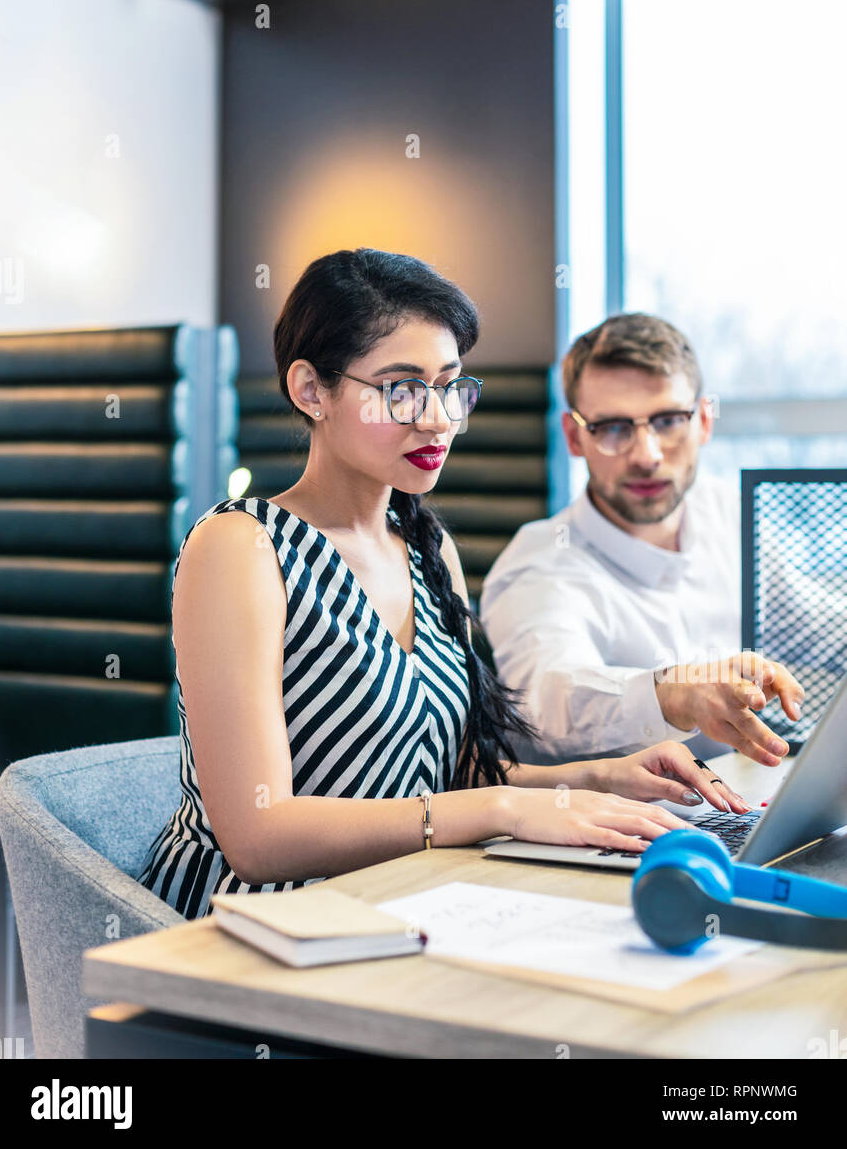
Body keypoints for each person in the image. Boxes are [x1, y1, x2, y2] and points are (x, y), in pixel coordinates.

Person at [138, 255, 747, 920]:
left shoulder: (430, 550)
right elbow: (259, 839)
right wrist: (504, 807)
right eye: (402, 388)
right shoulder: (241, 546)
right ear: (312, 390)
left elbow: (452, 781)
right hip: (249, 922)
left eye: (451, 387)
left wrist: (594, 778)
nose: (438, 420)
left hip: (401, 900)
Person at [479, 312, 804, 767]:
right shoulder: (540, 561)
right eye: (613, 428)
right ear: (574, 436)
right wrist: (673, 693)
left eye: (669, 420)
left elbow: (808, 626)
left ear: (704, 421)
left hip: (751, 804)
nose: (646, 456)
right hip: (619, 825)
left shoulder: (728, 513)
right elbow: (547, 701)